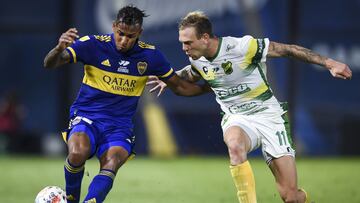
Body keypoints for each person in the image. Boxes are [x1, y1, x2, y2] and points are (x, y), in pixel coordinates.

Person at [147, 11, 352, 203]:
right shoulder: (198, 60)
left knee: (290, 196)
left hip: (269, 116)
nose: (184, 48)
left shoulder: (242, 47)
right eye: (182, 43)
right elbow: (191, 74)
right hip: (237, 117)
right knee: (235, 145)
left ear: (205, 38)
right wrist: (169, 79)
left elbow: (288, 50)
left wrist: (329, 63)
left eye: (188, 43)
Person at [43, 5, 207, 203]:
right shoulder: (92, 45)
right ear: (113, 27)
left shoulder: (151, 56)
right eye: (121, 33)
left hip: (119, 126)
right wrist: (59, 48)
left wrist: (212, 87)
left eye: (131, 36)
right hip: (87, 115)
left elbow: (180, 87)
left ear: (140, 33)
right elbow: (50, 63)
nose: (124, 40)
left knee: (111, 162)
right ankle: (71, 200)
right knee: (77, 153)